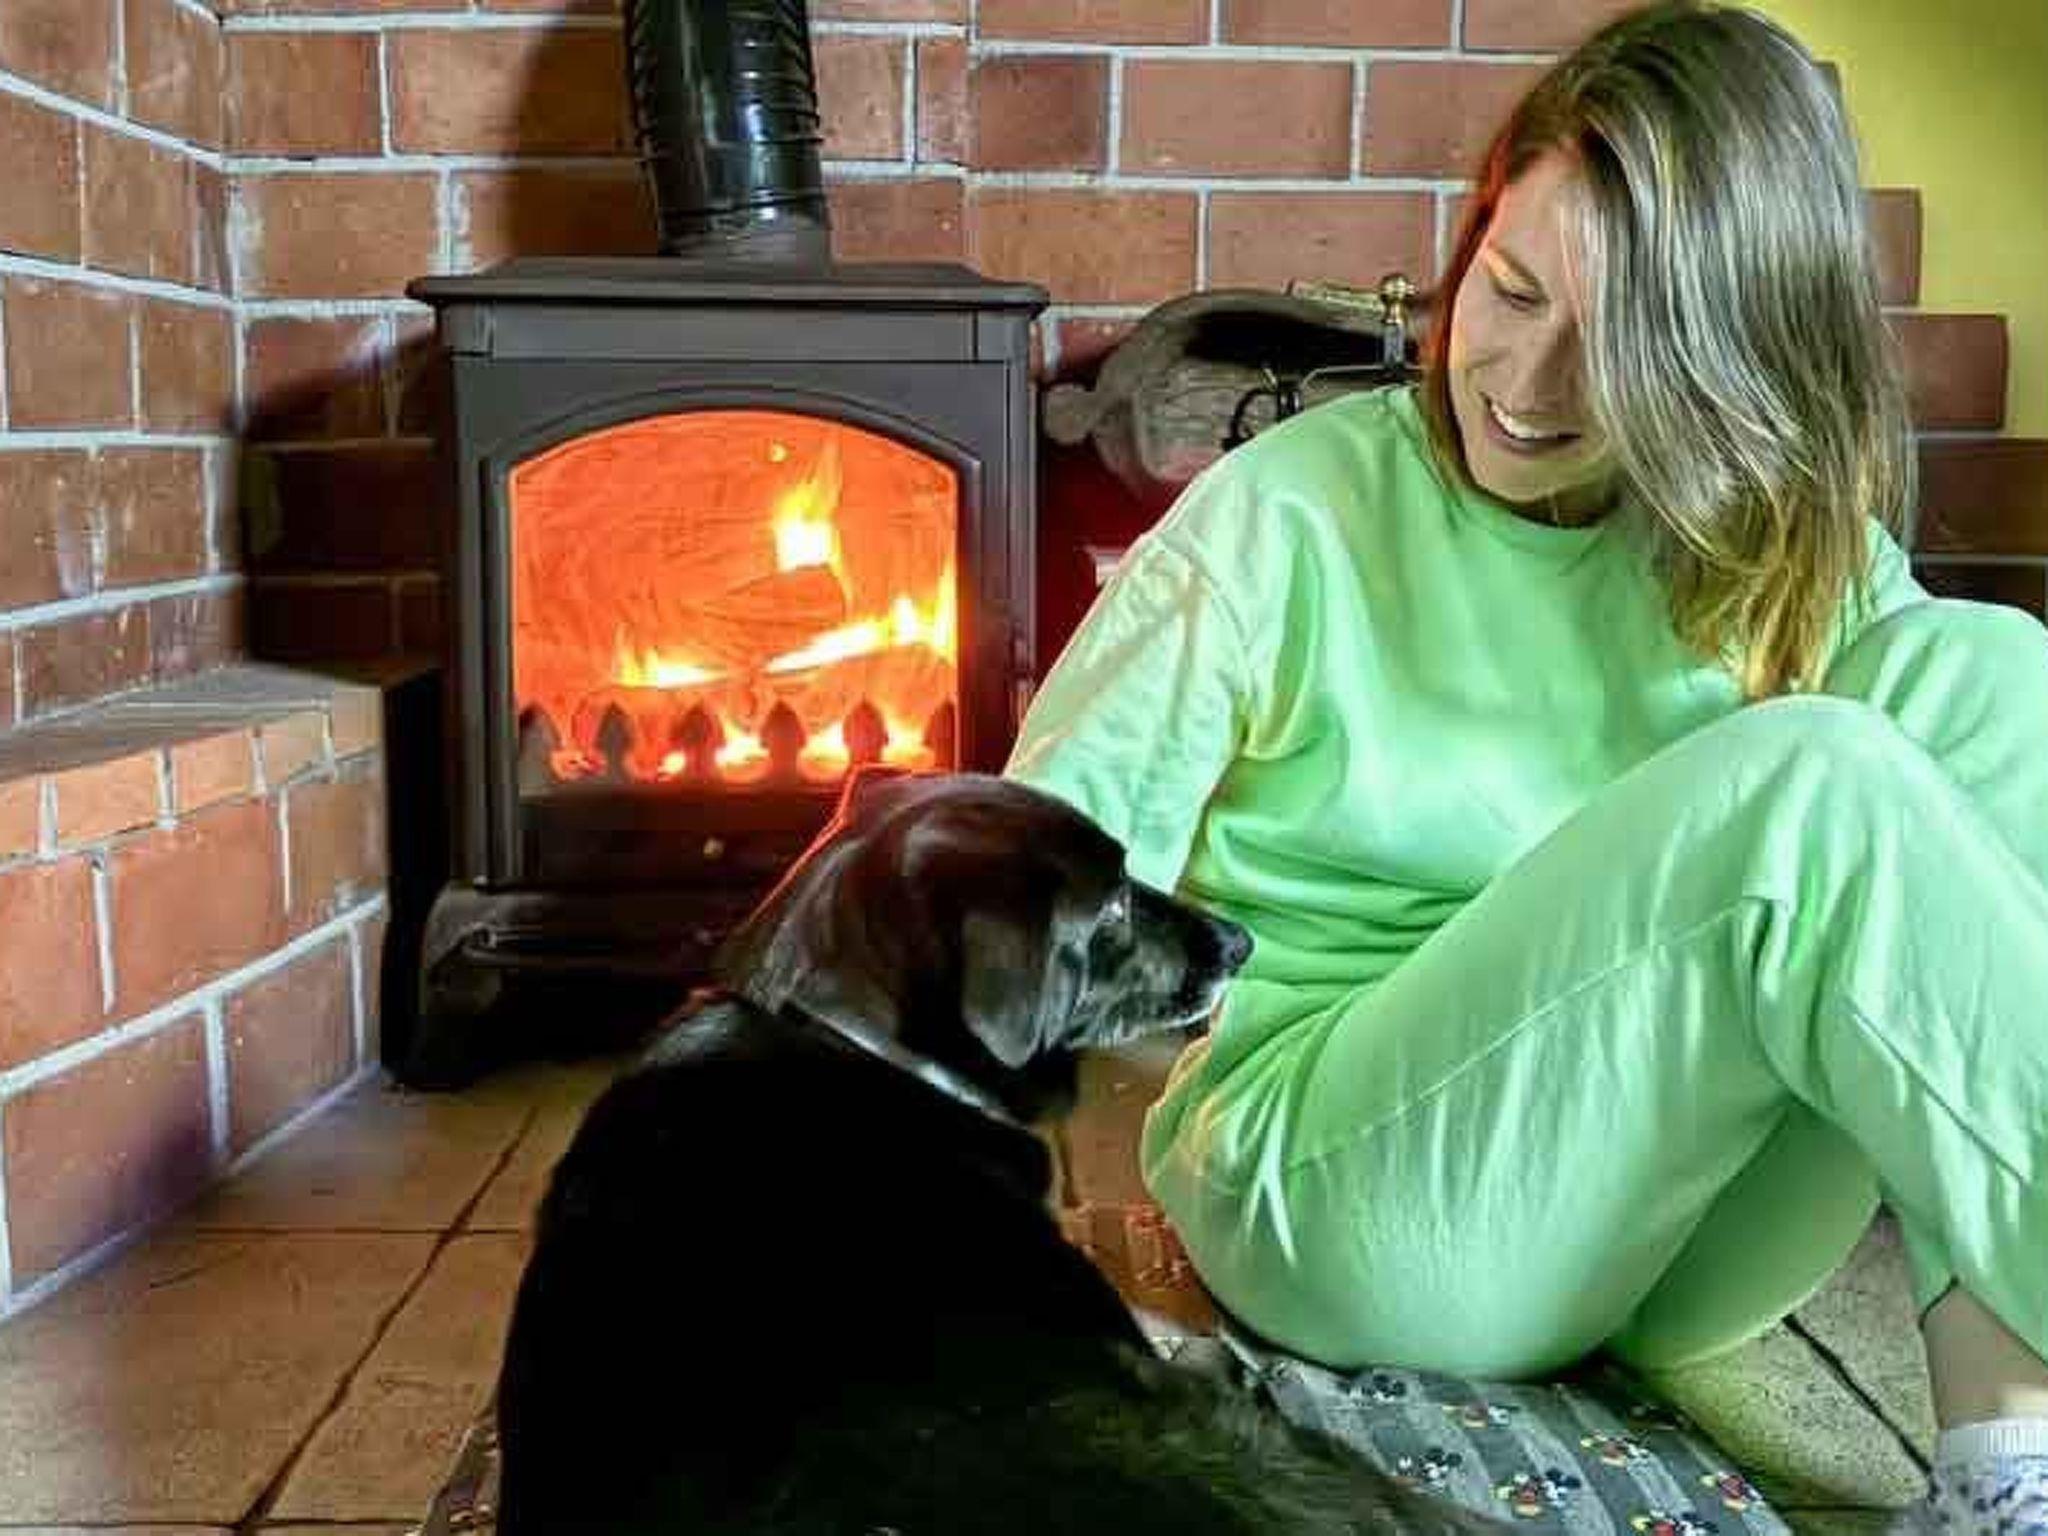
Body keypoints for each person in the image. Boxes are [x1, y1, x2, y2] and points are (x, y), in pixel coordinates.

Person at [1001, 3, 2048, 1532]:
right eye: (1510, 289)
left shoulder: (1751, 537)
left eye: (1616, 347)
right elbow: (1021, 893)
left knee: (1996, 678)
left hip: (1657, 1233)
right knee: (1815, 784)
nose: (1530, 385)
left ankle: (2010, 1467)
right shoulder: (1281, 519)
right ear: (1474, 228)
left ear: (1720, 364)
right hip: (1338, 1190)